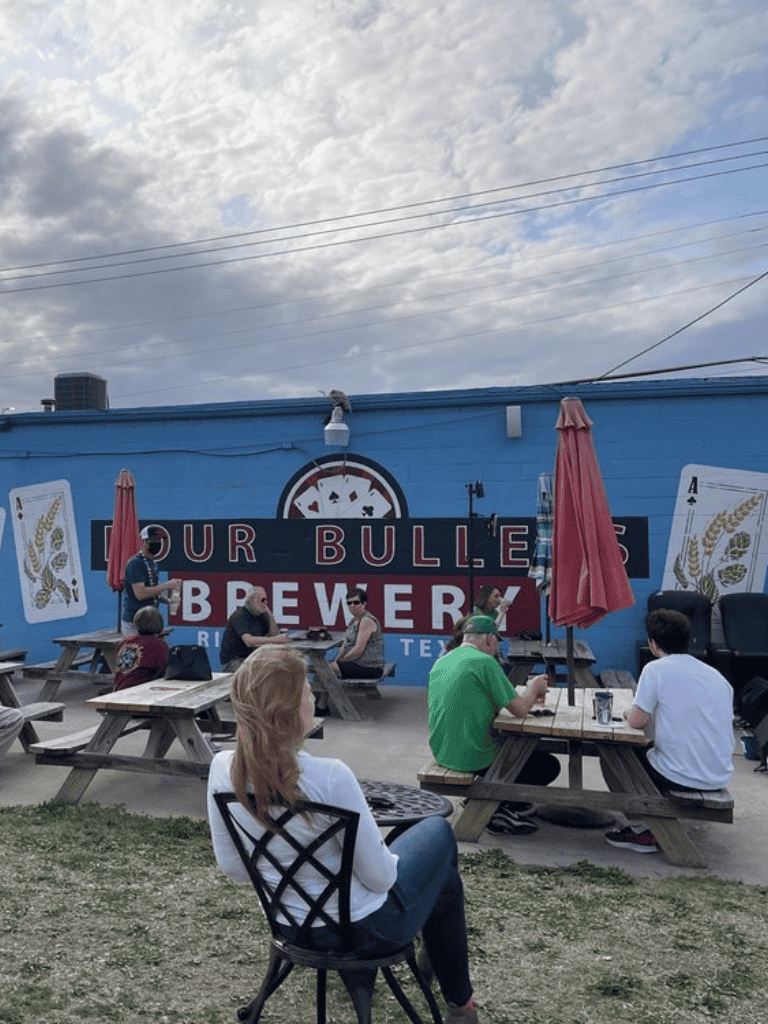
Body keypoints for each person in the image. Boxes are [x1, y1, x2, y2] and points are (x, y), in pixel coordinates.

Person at [207, 647, 479, 1024]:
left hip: (289, 925)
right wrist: (383, 854)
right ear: (287, 709)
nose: (313, 697)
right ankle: (459, 1000)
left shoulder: (222, 769)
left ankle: (450, 988)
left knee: (442, 880)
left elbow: (235, 868)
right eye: (306, 690)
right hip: (364, 932)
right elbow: (381, 878)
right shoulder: (330, 776)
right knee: (437, 832)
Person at [603, 608, 734, 854]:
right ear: (689, 640)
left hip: (682, 776)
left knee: (613, 755)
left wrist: (628, 713)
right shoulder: (716, 677)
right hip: (718, 773)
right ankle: (646, 826)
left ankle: (641, 831)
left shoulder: (656, 670)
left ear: (652, 644)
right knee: (650, 750)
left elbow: (636, 722)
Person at [428, 614, 560, 836]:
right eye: (497, 640)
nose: (498, 646)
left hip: (442, 751)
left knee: (522, 749)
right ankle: (498, 809)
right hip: (472, 756)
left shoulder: (443, 660)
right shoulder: (485, 662)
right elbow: (519, 710)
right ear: (489, 639)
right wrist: (534, 687)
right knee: (547, 765)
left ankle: (503, 802)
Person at [121, 526, 181, 636]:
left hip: (150, 622)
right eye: (153, 540)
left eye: (158, 541)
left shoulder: (152, 563)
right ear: (143, 541)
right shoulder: (136, 563)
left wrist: (166, 600)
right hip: (135, 622)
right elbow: (140, 594)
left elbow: (152, 590)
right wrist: (167, 585)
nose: (156, 543)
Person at [219, 586, 289, 671]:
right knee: (264, 670)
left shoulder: (261, 615)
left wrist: (270, 616)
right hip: (235, 661)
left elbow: (274, 635)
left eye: (266, 600)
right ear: (252, 600)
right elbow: (249, 641)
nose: (265, 603)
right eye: (262, 600)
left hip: (251, 658)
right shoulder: (240, 616)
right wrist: (277, 640)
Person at [330, 587, 384, 679]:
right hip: (356, 663)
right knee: (325, 666)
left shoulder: (367, 620)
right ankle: (324, 693)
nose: (352, 605)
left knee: (325, 668)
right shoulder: (353, 621)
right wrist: (337, 660)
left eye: (356, 602)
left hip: (370, 667)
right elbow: (345, 645)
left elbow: (358, 650)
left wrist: (342, 661)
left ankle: (331, 693)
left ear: (364, 603)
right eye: (349, 603)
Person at [112, 606, 170, 691]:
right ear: (160, 624)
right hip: (139, 692)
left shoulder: (126, 640)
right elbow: (166, 673)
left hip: (118, 689)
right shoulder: (159, 645)